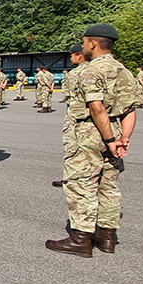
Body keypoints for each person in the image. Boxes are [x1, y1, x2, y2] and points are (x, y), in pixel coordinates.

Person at [46, 24, 137, 257]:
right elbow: (130, 109)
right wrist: (123, 138)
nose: (83, 45)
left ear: (93, 43)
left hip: (90, 132)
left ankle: (81, 238)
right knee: (108, 185)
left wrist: (108, 139)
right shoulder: (124, 71)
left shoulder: (90, 70)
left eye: (85, 42)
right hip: (115, 130)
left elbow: (96, 107)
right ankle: (106, 237)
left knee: (81, 184)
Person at [51, 46, 87, 188]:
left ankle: (71, 179)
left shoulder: (75, 73)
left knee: (73, 147)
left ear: (79, 56)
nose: (71, 58)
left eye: (72, 55)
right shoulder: (102, 70)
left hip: (76, 115)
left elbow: (67, 95)